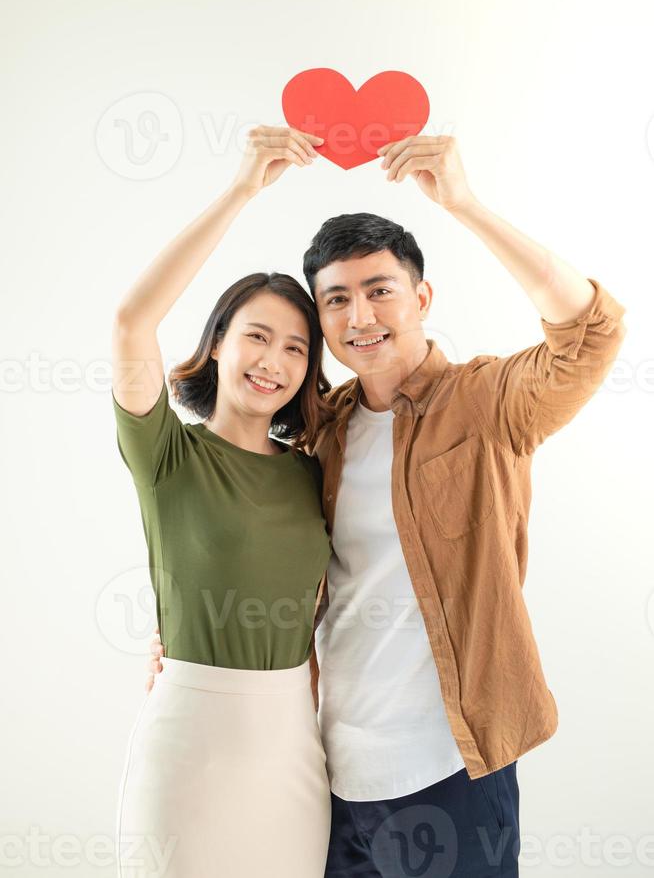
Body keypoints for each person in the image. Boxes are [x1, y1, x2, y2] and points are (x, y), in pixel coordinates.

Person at [147, 129, 627, 877]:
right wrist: (179, 632)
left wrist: (465, 203)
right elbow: (252, 529)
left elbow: (590, 334)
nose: (360, 315)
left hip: (450, 770)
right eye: (336, 299)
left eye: (380, 290)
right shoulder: (324, 429)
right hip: (333, 772)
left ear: (422, 296)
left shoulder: (486, 401)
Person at [111, 125, 335, 877]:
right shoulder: (168, 454)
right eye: (257, 336)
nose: (274, 361)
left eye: (297, 348)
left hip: (295, 750)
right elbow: (130, 321)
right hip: (189, 748)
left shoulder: (312, 474)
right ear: (216, 344)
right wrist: (242, 188)